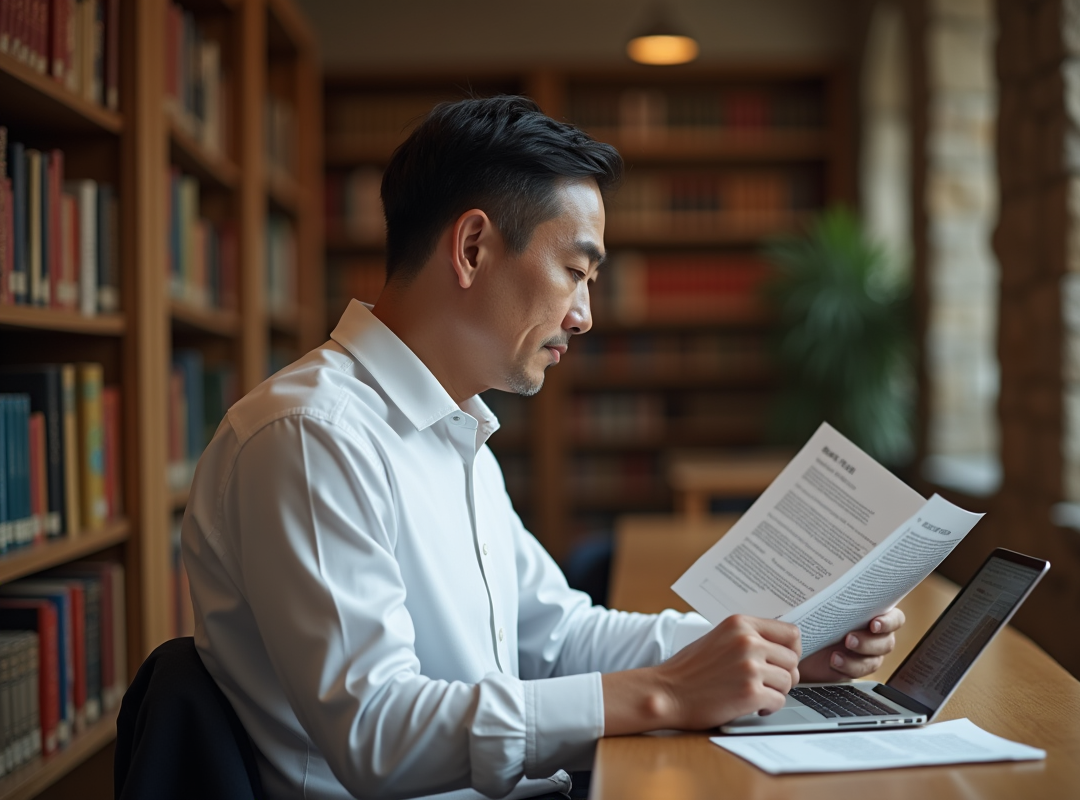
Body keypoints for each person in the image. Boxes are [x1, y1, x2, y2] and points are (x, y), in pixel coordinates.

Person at [181, 96, 905, 800]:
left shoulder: (455, 428)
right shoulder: (311, 436)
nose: (585, 315)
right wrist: (662, 694)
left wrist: (779, 651)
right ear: (472, 248)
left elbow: (554, 638)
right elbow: (377, 733)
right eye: (574, 272)